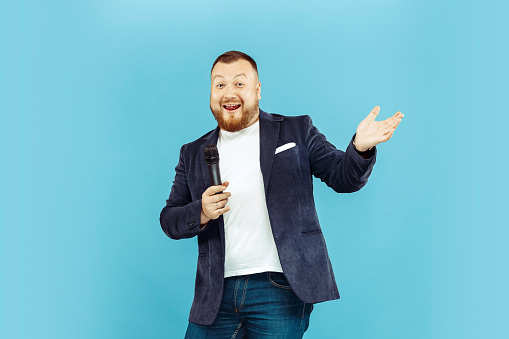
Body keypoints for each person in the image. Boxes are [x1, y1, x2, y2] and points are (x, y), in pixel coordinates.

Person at [160, 51, 403, 338]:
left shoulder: (296, 130)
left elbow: (343, 177)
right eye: (220, 84)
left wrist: (360, 148)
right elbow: (169, 219)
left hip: (278, 288)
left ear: (257, 89)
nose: (229, 92)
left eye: (239, 83)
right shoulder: (193, 152)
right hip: (214, 293)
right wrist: (201, 211)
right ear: (212, 92)